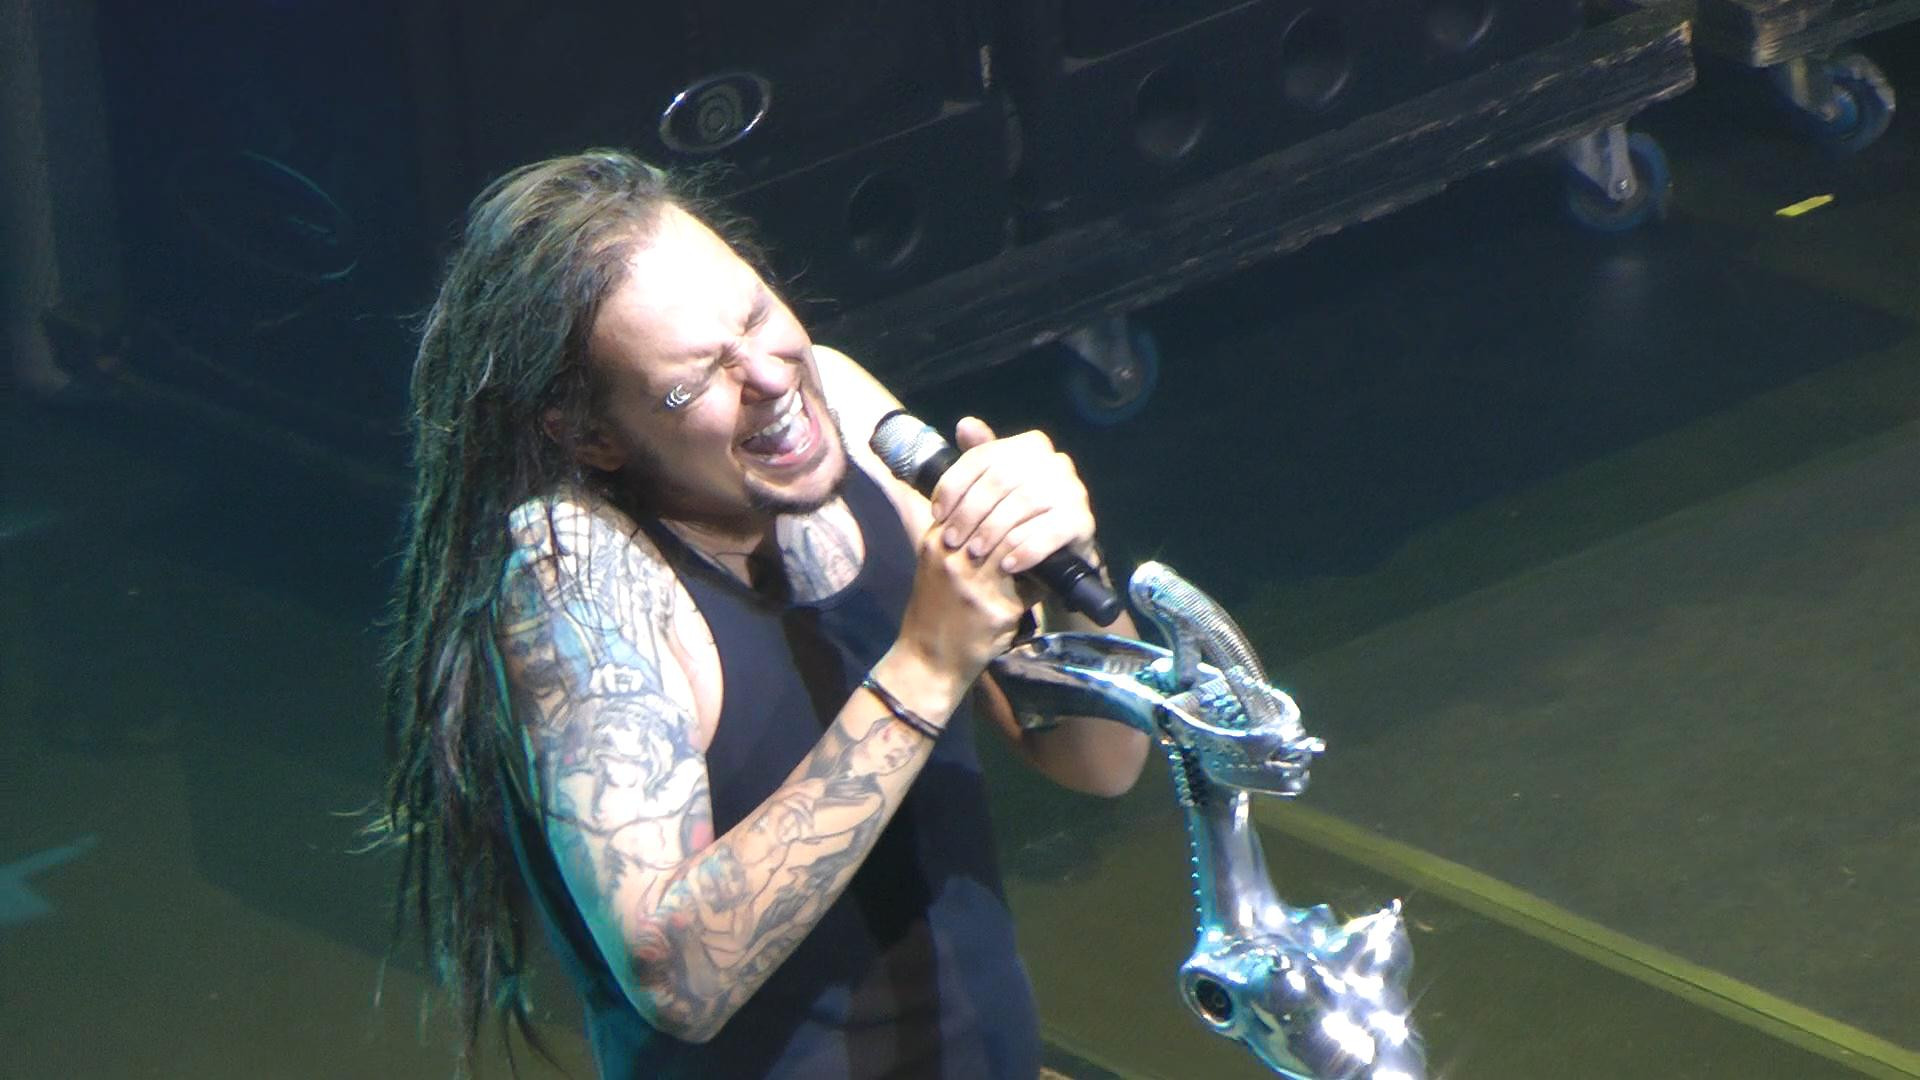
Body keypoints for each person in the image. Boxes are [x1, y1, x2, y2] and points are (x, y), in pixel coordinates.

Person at [375, 148, 1149, 1079]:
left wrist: (1068, 562)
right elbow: (676, 977)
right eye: (695, 381)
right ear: (591, 435)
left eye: (753, 314)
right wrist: (925, 668)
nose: (772, 378)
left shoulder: (844, 403)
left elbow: (1102, 761)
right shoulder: (574, 576)